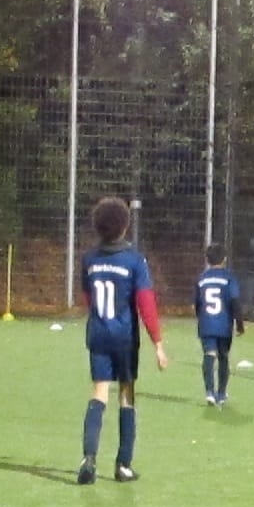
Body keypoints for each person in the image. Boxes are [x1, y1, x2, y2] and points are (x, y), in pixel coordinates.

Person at [78, 196, 168, 484]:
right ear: (125, 226)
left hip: (98, 334)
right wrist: (158, 344)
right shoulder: (134, 260)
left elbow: (88, 297)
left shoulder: (89, 259)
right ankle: (123, 465)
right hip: (125, 339)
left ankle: (89, 458)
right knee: (126, 395)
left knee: (99, 393)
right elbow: (146, 304)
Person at [193, 243, 244, 406]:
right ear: (225, 259)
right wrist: (240, 324)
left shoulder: (201, 279)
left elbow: (197, 304)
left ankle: (209, 392)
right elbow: (235, 301)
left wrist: (200, 318)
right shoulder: (229, 278)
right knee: (223, 357)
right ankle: (221, 394)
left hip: (206, 324)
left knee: (209, 354)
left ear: (207, 259)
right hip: (224, 325)